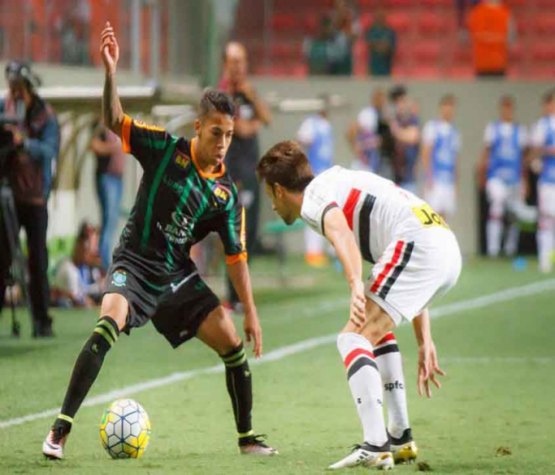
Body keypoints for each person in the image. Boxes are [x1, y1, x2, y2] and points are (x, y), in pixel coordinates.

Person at [42, 22, 277, 460]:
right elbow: (113, 120)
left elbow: (236, 257)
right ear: (199, 126)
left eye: (229, 135)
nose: (224, 143)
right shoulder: (164, 148)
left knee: (231, 343)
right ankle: (60, 430)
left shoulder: (225, 195)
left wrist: (251, 312)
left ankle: (247, 439)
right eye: (216, 133)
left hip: (173, 275)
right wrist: (111, 72)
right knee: (108, 321)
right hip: (134, 261)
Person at [257, 141, 461, 470]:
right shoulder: (334, 182)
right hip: (443, 247)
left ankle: (375, 444)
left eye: (269, 196)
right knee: (375, 332)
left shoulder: (314, 199)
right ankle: (399, 436)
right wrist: (425, 340)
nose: (273, 204)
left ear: (278, 190)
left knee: (352, 338)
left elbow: (342, 234)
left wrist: (355, 284)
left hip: (420, 244)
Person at [0, 61, 60, 337]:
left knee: (37, 260)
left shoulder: (45, 115)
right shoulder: (5, 109)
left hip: (35, 199)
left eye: (18, 87)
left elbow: (49, 150)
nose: (14, 93)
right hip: (8, 195)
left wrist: (23, 141)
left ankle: (41, 321)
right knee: (2, 259)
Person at [219, 41, 272, 310]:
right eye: (233, 62)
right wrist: (250, 124)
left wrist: (251, 94)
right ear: (226, 65)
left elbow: (267, 117)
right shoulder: (221, 95)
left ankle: (241, 296)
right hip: (232, 176)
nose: (238, 67)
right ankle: (233, 296)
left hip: (252, 174)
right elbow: (240, 130)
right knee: (235, 235)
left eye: (242, 61)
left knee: (249, 237)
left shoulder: (249, 93)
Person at [478, 95, 528, 258]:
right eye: (505, 107)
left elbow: (522, 158)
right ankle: (493, 249)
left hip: (514, 178)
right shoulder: (493, 129)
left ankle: (510, 249)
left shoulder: (519, 131)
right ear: (501, 109)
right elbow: (486, 153)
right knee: (497, 208)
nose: (507, 110)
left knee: (514, 214)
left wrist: (524, 180)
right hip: (496, 177)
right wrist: (482, 174)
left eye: (510, 107)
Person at [297, 95, 334, 266]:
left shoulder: (327, 126)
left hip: (325, 173)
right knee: (313, 210)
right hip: (314, 172)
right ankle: (312, 251)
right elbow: (301, 141)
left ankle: (322, 250)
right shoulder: (310, 123)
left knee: (325, 211)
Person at [90, 121, 125, 270]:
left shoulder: (120, 125)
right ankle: (104, 263)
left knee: (114, 220)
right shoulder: (100, 126)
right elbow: (93, 145)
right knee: (108, 219)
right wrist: (114, 147)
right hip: (107, 177)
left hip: (117, 178)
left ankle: (107, 258)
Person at [421, 95, 461, 220]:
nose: (448, 111)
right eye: (446, 107)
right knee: (432, 216)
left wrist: (456, 183)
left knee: (445, 218)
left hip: (448, 180)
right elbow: (426, 153)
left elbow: (455, 159)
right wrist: (428, 176)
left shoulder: (455, 131)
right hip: (435, 180)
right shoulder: (432, 127)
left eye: (451, 108)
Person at [530, 90, 555, 273]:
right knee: (546, 218)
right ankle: (544, 259)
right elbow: (534, 152)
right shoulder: (541, 126)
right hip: (547, 179)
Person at [51, 221, 103, 308]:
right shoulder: (68, 270)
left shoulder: (88, 269)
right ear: (78, 246)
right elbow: (81, 303)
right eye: (90, 246)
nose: (95, 251)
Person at [467, 0, 515, 77]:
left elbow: (470, 37)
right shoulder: (505, 13)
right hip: (498, 63)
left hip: (481, 63)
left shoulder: (476, 12)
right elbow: (511, 39)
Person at [347, 88, 387, 174]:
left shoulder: (380, 115)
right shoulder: (368, 113)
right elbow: (352, 128)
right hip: (363, 163)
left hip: (373, 162)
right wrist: (355, 145)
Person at [389, 85, 420, 194]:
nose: (399, 105)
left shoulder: (412, 120)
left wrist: (396, 131)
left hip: (408, 177)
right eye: (396, 102)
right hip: (393, 176)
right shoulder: (393, 121)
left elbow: (413, 137)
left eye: (402, 100)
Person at [365, 9, 396, 77]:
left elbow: (390, 48)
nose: (380, 18)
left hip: (386, 69)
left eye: (382, 16)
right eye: (378, 16)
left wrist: (379, 45)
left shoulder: (390, 32)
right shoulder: (371, 31)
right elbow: (370, 45)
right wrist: (382, 44)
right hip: (374, 69)